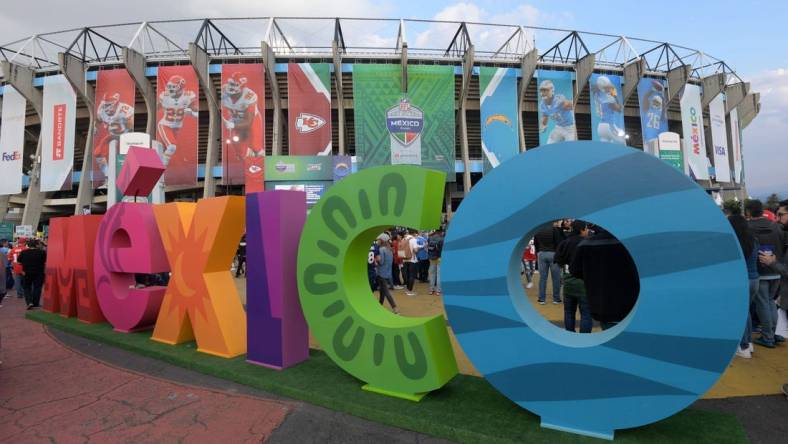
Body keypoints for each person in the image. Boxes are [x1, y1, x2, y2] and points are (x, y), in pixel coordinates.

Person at [570, 227, 639, 330]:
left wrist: (592, 276)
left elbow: (575, 270)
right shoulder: (633, 241)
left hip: (602, 302)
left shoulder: (586, 244)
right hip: (631, 302)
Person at [745, 199, 785, 348]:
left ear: (748, 212)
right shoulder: (776, 227)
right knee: (770, 302)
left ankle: (768, 337)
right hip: (776, 270)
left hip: (759, 272)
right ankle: (773, 334)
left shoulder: (748, 228)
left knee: (762, 304)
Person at [728, 214, 759, 358]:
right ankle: (749, 344)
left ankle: (743, 346)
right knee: (746, 312)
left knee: (741, 313)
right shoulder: (754, 240)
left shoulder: (735, 242)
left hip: (742, 281)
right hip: (755, 280)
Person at [555, 220, 592, 333]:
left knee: (569, 312)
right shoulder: (587, 243)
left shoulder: (565, 242)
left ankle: (570, 335)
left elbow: (558, 260)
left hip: (568, 283)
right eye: (586, 228)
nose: (587, 231)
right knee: (586, 314)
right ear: (581, 229)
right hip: (584, 285)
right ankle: (584, 339)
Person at [533, 222, 564, 304]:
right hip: (553, 254)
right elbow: (559, 242)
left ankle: (541, 299)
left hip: (541, 254)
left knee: (542, 278)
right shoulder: (554, 229)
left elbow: (536, 243)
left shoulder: (538, 229)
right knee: (556, 278)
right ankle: (556, 299)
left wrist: (538, 252)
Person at [17, 239, 47, 309]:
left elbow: (18, 262)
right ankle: (36, 303)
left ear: (28, 245)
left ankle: (29, 302)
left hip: (26, 272)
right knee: (37, 287)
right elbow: (44, 261)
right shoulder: (42, 252)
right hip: (39, 272)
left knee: (27, 287)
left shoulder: (24, 252)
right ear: (36, 245)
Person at [374, 234, 399, 314]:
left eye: (378, 240)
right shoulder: (390, 249)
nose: (377, 241)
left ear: (382, 240)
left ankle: (394, 307)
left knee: (385, 291)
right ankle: (380, 304)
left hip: (381, 273)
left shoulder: (381, 250)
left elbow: (381, 262)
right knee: (382, 290)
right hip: (387, 272)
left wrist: (376, 261)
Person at [399, 229, 421, 296]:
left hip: (404, 259)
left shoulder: (403, 239)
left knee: (407, 274)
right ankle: (410, 291)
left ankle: (407, 290)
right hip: (412, 259)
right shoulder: (414, 240)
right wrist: (419, 248)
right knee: (412, 275)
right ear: (414, 233)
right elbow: (415, 250)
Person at [427, 229, 444, 295]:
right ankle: (438, 291)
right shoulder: (441, 239)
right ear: (440, 231)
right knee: (439, 274)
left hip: (431, 257)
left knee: (432, 273)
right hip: (439, 257)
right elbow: (442, 249)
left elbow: (428, 247)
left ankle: (431, 290)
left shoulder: (430, 238)